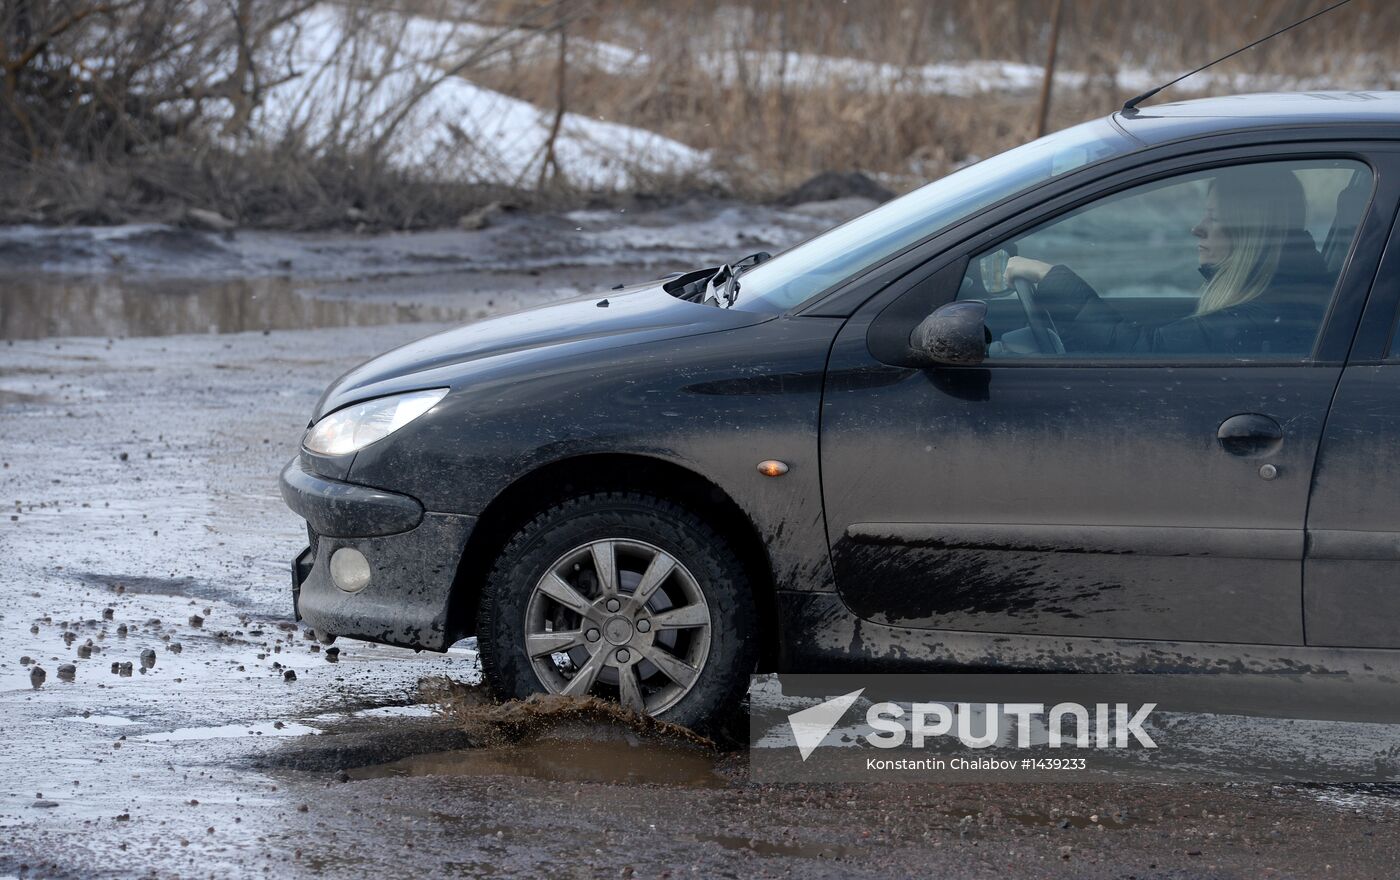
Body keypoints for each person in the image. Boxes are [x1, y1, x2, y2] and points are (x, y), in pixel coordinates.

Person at [1002, 165, 1333, 355]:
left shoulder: (1259, 315)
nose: (1197, 229)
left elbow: (1143, 354)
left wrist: (1049, 277)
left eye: (1214, 219)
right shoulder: (1281, 296)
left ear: (1251, 232)